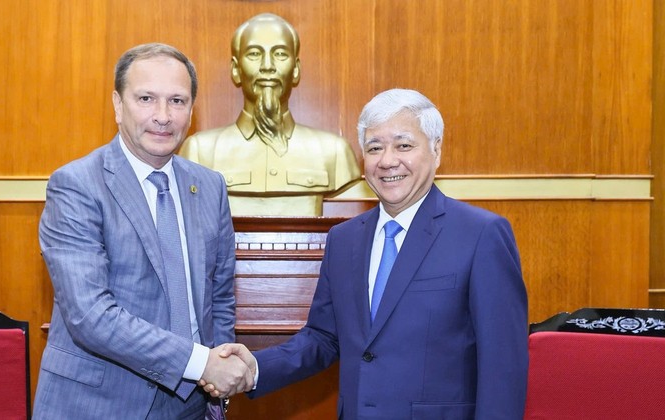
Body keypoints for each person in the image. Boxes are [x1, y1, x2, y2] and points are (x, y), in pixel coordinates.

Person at [206, 89, 529, 419]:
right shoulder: (344, 240)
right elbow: (323, 338)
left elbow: (503, 366)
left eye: (404, 145)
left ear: (436, 150)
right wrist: (255, 367)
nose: (388, 160)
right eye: (375, 148)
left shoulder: (481, 234)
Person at [33, 43, 252, 419]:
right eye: (147, 98)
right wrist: (202, 363)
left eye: (178, 101)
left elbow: (218, 297)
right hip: (102, 404)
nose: (163, 116)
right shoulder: (76, 185)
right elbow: (91, 315)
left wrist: (220, 372)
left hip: (194, 404)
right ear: (118, 105)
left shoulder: (210, 186)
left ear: (192, 109)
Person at [179, 13, 361, 216]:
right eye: (254, 54)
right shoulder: (200, 151)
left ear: (296, 70)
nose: (267, 66)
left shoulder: (334, 152)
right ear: (236, 70)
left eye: (280, 54)